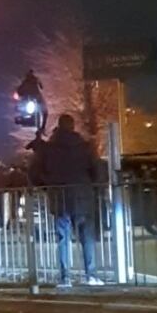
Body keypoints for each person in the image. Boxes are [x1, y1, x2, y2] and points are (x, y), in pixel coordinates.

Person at [28, 113, 103, 287]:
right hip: (83, 196)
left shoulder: (49, 149)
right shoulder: (84, 147)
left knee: (63, 238)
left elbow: (34, 172)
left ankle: (65, 278)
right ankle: (91, 275)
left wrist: (47, 186)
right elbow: (97, 171)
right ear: (73, 127)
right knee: (87, 237)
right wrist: (93, 186)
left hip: (59, 197)